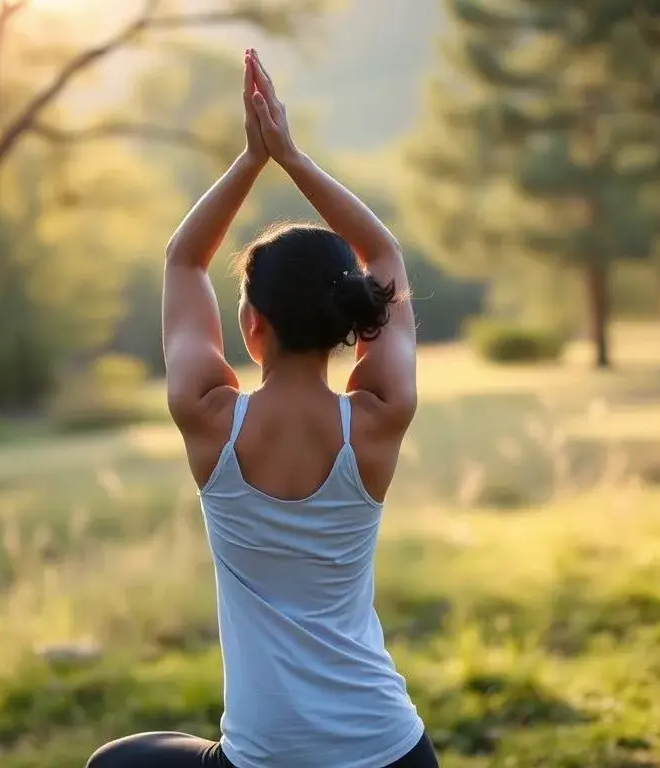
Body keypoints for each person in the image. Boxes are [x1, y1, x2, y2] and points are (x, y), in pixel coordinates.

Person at [86, 49, 437, 768]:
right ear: (348, 324)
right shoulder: (377, 418)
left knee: (113, 764)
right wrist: (293, 157)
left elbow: (182, 261)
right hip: (392, 753)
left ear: (250, 328)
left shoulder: (209, 418)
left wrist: (252, 160)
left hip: (266, 760)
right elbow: (383, 249)